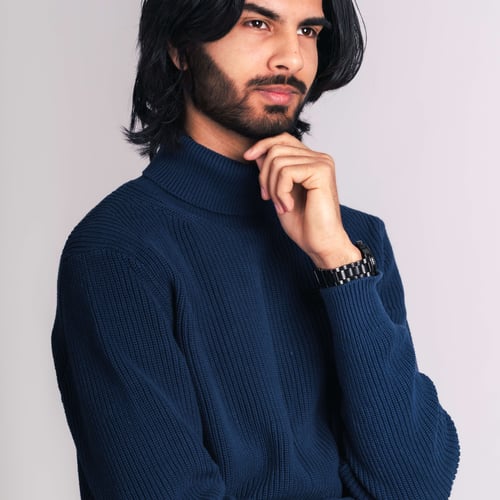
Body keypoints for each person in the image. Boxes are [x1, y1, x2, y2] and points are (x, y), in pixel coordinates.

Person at [52, 0, 460, 498]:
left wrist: (337, 264)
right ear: (180, 48)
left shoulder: (352, 241)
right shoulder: (118, 253)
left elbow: (416, 484)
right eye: (257, 23)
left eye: (308, 31)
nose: (291, 57)